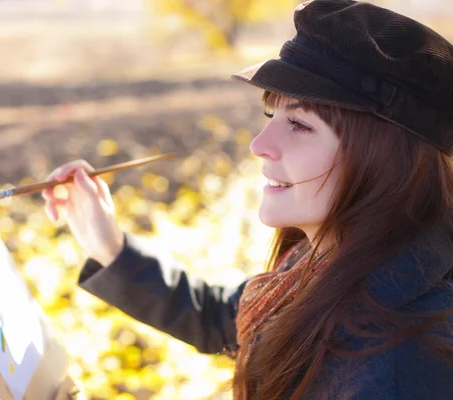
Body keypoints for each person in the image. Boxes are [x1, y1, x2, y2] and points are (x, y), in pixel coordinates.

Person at [41, 1, 453, 398]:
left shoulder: (402, 364)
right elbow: (232, 321)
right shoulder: (320, 270)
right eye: (270, 117)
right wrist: (109, 247)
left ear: (382, 159)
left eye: (299, 124)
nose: (259, 145)